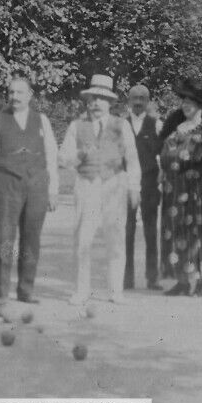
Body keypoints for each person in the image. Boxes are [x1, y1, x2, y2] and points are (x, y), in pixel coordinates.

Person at [0, 76, 60, 307]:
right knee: (4, 239)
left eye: (20, 93)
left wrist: (53, 190)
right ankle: (1, 290)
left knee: (31, 240)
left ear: (30, 95)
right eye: (11, 92)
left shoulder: (42, 120)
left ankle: (25, 289)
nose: (15, 97)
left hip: (36, 187)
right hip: (5, 186)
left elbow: (52, 156)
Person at [58, 75, 140, 306]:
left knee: (115, 238)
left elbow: (132, 158)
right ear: (87, 101)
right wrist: (80, 155)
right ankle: (81, 291)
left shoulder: (121, 125)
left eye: (102, 99)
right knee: (83, 239)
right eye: (93, 98)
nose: (96, 103)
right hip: (86, 185)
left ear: (110, 103)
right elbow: (63, 158)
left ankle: (115, 291)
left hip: (114, 184)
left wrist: (134, 186)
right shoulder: (77, 126)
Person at [157, 77, 202, 297]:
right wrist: (163, 173)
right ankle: (181, 281)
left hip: (199, 189)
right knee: (176, 231)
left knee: (198, 233)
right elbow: (162, 151)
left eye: (190, 102)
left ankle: (199, 281)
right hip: (174, 188)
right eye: (184, 101)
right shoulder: (175, 124)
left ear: (200, 105)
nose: (185, 105)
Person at [122, 83, 162, 291]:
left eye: (142, 98)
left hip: (149, 185)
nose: (138, 102)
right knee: (127, 231)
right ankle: (126, 278)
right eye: (134, 98)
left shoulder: (156, 125)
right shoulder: (121, 125)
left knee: (150, 231)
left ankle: (152, 277)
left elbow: (163, 155)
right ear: (128, 101)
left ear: (148, 102)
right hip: (127, 185)